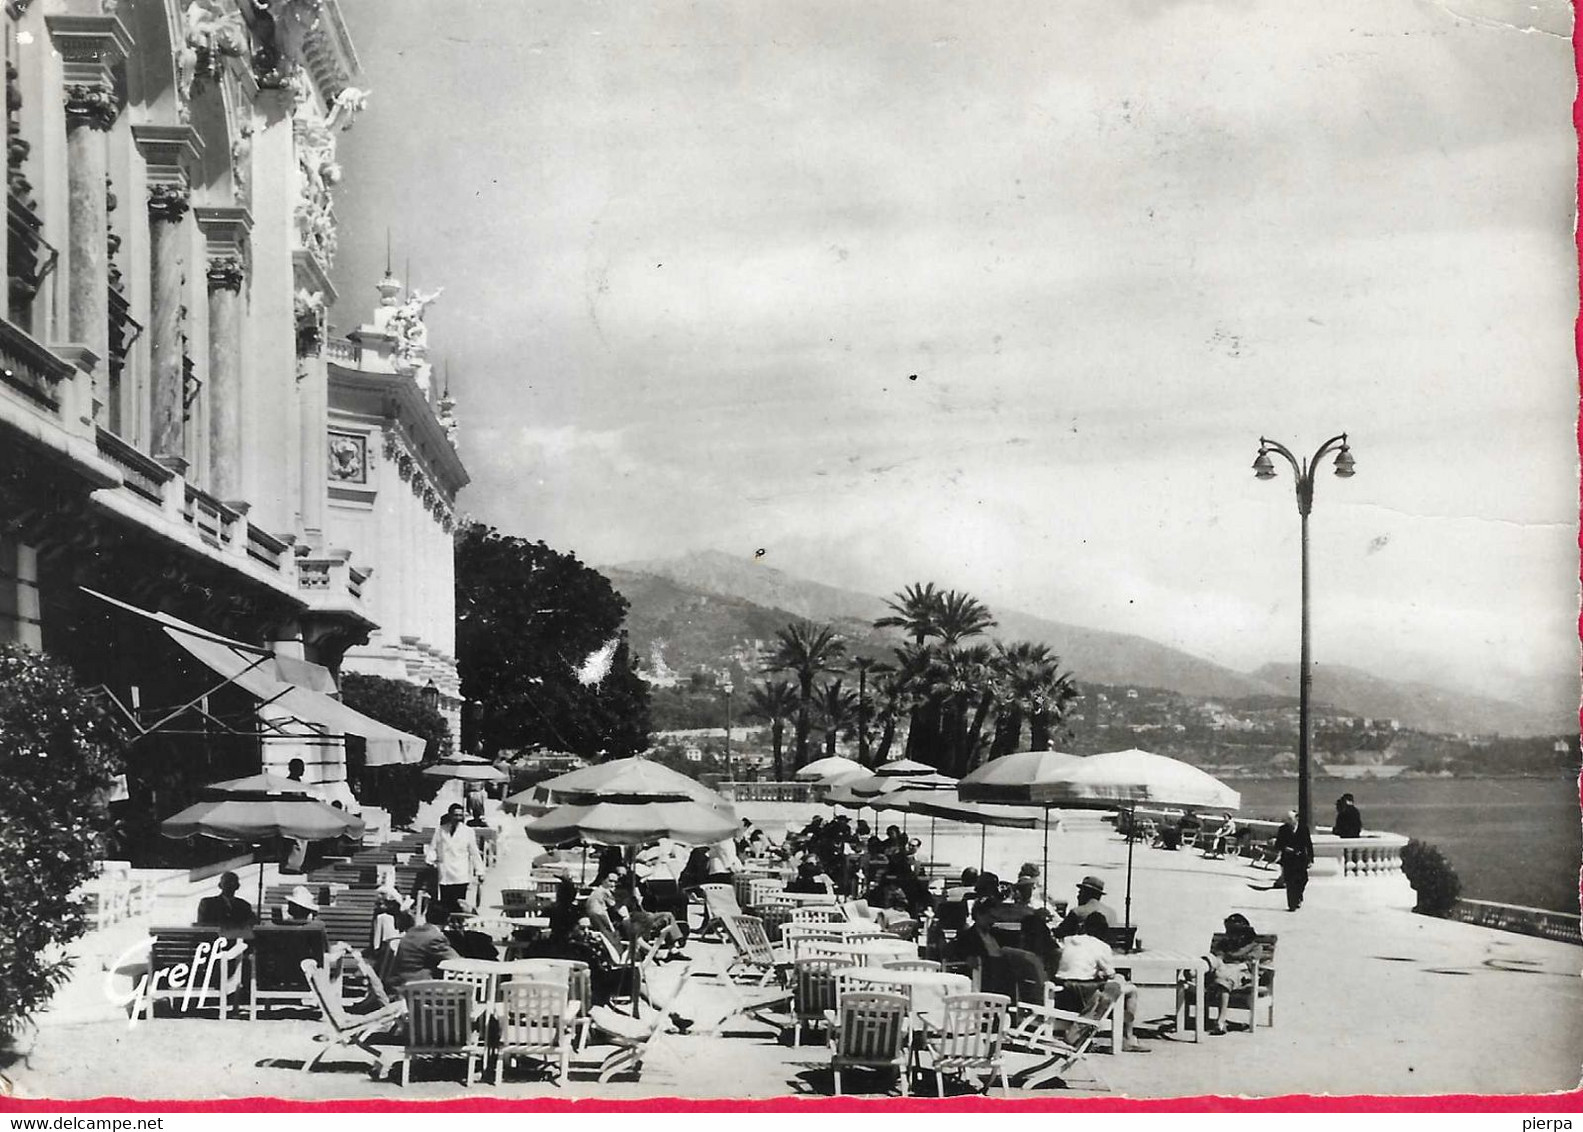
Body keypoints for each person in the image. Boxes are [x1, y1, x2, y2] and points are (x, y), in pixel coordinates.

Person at [1054, 912, 1149, 1052]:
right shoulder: (1101, 946)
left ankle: (1080, 1033)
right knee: (1127, 987)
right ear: (1103, 930)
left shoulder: (1068, 941)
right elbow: (1111, 973)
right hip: (1085, 993)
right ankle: (1128, 1038)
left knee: (1114, 984)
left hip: (1063, 992)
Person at [1203, 912, 1263, 1035]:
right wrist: (1218, 963)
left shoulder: (1255, 946)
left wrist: (1225, 969)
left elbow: (1248, 964)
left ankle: (1220, 1021)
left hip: (1241, 972)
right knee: (1209, 967)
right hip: (1222, 968)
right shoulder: (1226, 943)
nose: (1233, 935)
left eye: (1236, 931)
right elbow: (1218, 956)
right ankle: (1197, 969)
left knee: (1223, 979)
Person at [383, 902, 460, 995]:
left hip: (399, 983)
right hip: (418, 987)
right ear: (448, 919)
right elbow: (456, 961)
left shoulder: (412, 931)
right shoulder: (435, 937)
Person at [429, 810, 484, 913]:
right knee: (445, 905)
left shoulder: (468, 831)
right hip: (445, 873)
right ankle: (446, 926)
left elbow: (474, 852)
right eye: (455, 815)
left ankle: (459, 925)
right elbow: (433, 848)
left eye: (460, 815)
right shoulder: (440, 830)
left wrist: (480, 871)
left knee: (460, 905)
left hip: (460, 874)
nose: (458, 818)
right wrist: (431, 860)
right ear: (450, 815)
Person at [1274, 810, 1315, 911]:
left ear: (1296, 818)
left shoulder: (1303, 829)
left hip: (1301, 859)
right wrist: (1285, 848)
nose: (1288, 821)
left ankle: (1299, 895)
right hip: (1288, 859)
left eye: (1290, 819)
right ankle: (1292, 904)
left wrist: (1311, 859)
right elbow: (1278, 844)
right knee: (1290, 882)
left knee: (1303, 879)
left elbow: (1308, 844)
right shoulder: (1283, 829)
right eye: (1287, 819)